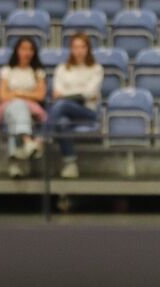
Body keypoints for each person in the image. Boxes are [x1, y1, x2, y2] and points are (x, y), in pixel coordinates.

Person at [46, 33, 103, 180]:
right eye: (75, 47)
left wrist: (68, 95)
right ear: (71, 49)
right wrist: (80, 93)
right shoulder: (62, 69)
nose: (79, 51)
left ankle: (42, 139)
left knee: (62, 104)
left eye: (82, 47)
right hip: (65, 113)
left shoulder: (96, 68)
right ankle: (70, 164)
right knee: (62, 122)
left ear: (88, 49)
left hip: (87, 111)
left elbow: (90, 92)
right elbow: (56, 93)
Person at [0, 37, 47, 179]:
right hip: (8, 109)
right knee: (18, 107)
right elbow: (3, 96)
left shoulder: (37, 72)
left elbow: (40, 95)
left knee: (18, 119)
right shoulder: (7, 71)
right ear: (17, 51)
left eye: (30, 49)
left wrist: (17, 94)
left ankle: (15, 163)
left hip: (31, 111)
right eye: (23, 49)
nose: (27, 52)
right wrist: (26, 96)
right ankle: (27, 141)